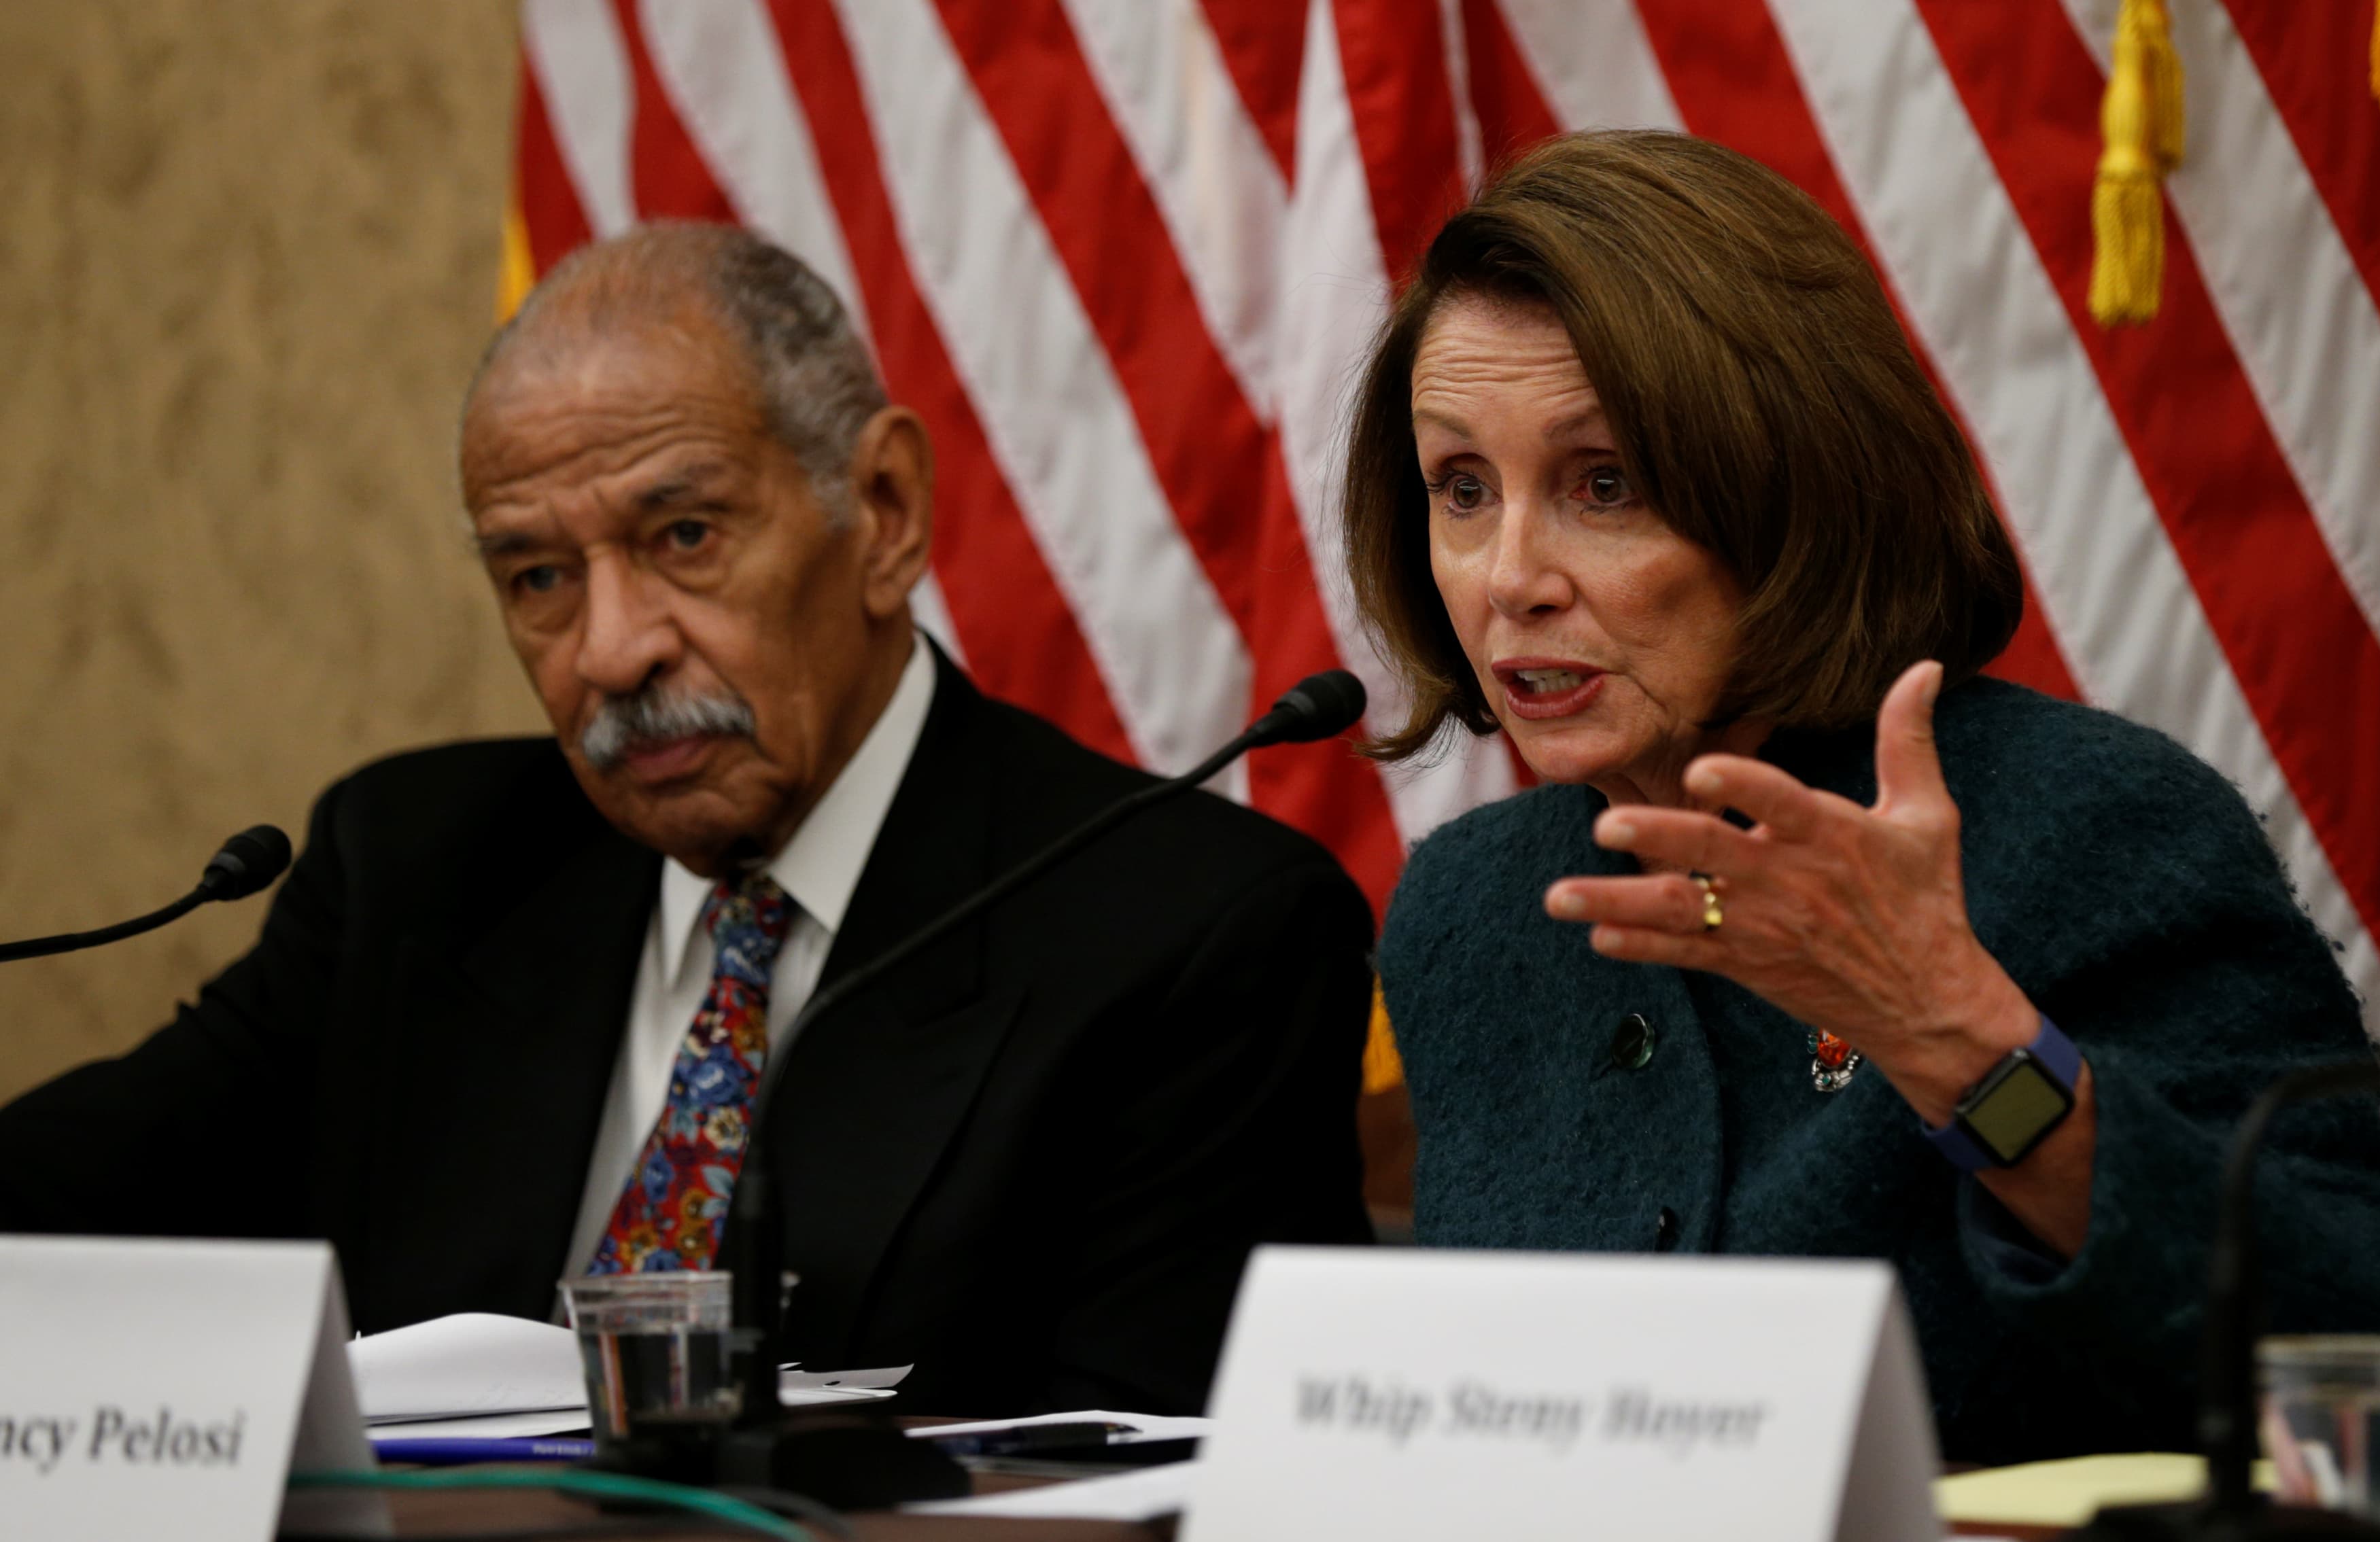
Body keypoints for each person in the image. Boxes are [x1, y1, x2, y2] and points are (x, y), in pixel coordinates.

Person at [0, 224, 1374, 1417]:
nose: (610, 650)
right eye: (538, 574)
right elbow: (59, 1205)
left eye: (685, 538)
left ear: (884, 513)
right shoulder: (412, 872)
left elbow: (1145, 1479)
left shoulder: (1187, 937)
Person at [1346, 131, 2380, 1462]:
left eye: (1605, 483)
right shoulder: (1475, 908)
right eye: (1462, 489)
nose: (1508, 575)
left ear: (1791, 486)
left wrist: (1966, 1047)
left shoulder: (2084, 823)